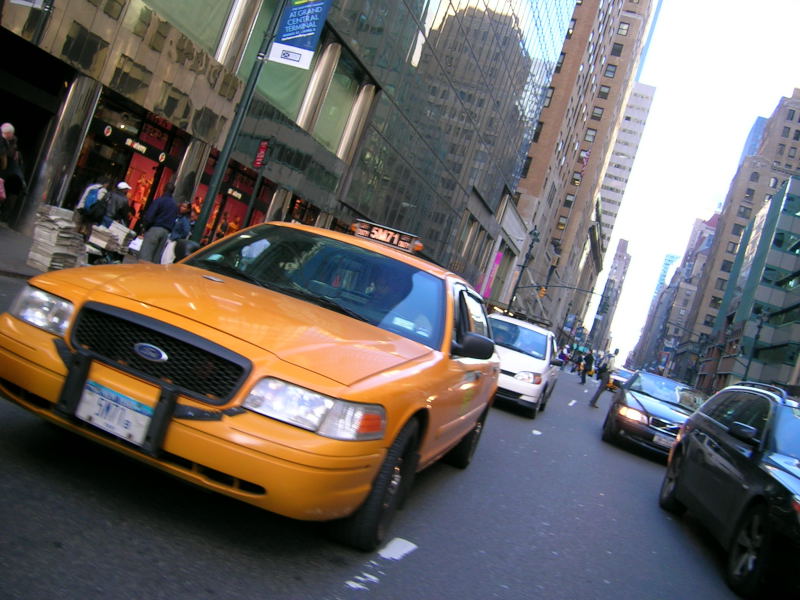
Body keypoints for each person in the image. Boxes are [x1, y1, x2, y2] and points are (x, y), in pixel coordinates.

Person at [138, 182, 177, 263]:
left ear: (164, 189)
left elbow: (150, 216)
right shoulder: (174, 205)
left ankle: (141, 273)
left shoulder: (159, 201)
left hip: (155, 229)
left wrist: (145, 227)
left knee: (145, 256)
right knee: (156, 258)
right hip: (166, 232)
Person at [0, 122, 25, 223]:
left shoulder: (7, 146)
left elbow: (4, 161)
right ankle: (4, 216)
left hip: (8, 176)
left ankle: (4, 216)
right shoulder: (5, 144)